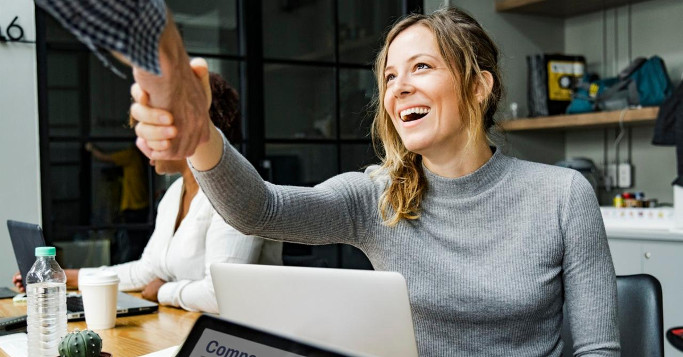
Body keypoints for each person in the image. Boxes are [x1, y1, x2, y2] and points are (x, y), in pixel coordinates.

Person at [35, 2, 619, 355]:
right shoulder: (377, 194)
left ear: (478, 85)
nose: (399, 88)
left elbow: (597, 349)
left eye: (422, 67)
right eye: (390, 76)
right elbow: (262, 210)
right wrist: (202, 136)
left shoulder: (561, 195)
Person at [14, 73, 281, 313]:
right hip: (186, 326)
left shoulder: (236, 190)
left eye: (151, 127)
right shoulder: (174, 193)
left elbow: (220, 294)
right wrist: (64, 277)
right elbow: (147, 271)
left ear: (190, 127)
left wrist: (163, 291)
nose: (142, 141)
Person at [84, 142, 150, 263]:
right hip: (137, 206)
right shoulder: (136, 159)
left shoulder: (131, 155)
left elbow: (105, 158)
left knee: (133, 246)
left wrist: (91, 148)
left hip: (134, 207)